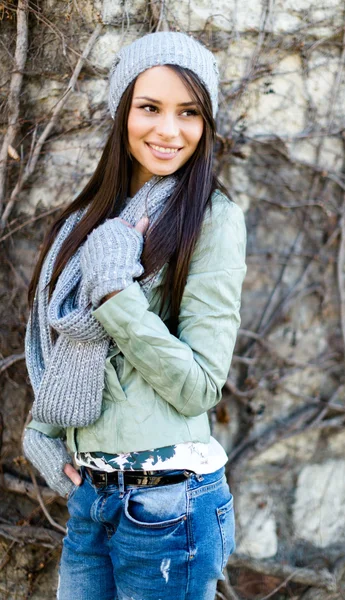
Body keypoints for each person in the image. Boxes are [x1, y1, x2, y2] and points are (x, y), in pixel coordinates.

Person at [22, 31, 247, 600]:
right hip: (93, 499)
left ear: (207, 122)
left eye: (189, 112)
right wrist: (45, 433)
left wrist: (114, 293)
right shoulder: (89, 220)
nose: (169, 131)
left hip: (170, 505)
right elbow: (68, 350)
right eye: (150, 108)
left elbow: (199, 387)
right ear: (123, 112)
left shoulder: (213, 220)